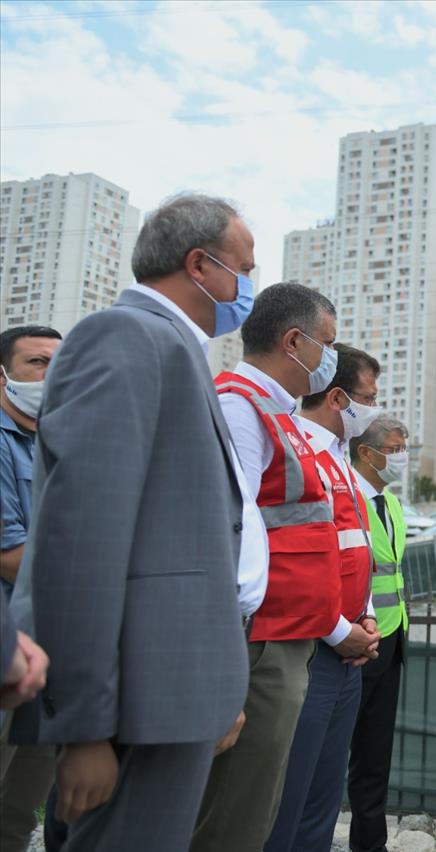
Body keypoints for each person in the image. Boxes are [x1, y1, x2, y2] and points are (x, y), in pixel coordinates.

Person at [6, 193, 254, 850]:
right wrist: (82, 728)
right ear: (200, 265)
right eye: (244, 268)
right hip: (131, 713)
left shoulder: (172, 345)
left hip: (169, 704)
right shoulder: (124, 336)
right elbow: (80, 541)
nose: (248, 288)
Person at [193, 284, 378, 852]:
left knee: (263, 808)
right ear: (293, 341)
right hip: (261, 640)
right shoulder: (236, 404)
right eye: (326, 344)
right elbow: (226, 536)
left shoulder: (273, 414)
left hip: (289, 638)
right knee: (237, 819)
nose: (329, 357)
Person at [265, 344, 381, 852]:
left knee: (322, 801)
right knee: (283, 802)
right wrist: (340, 632)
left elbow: (356, 549)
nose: (375, 410)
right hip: (313, 649)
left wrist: (367, 617)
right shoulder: (295, 452)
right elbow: (287, 559)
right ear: (336, 398)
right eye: (368, 398)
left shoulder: (341, 461)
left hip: (349, 652)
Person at [0, 324, 61, 852]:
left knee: (20, 814)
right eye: (38, 363)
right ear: (3, 375)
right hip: (8, 655)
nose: (51, 375)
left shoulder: (60, 443)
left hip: (52, 655)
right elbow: (12, 559)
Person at [347, 414, 411, 852]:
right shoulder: (348, 497)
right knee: (332, 754)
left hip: (392, 642)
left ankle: (369, 845)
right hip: (354, 643)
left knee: (374, 757)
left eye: (405, 449)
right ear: (366, 453)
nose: (401, 458)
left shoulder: (391, 504)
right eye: (394, 449)